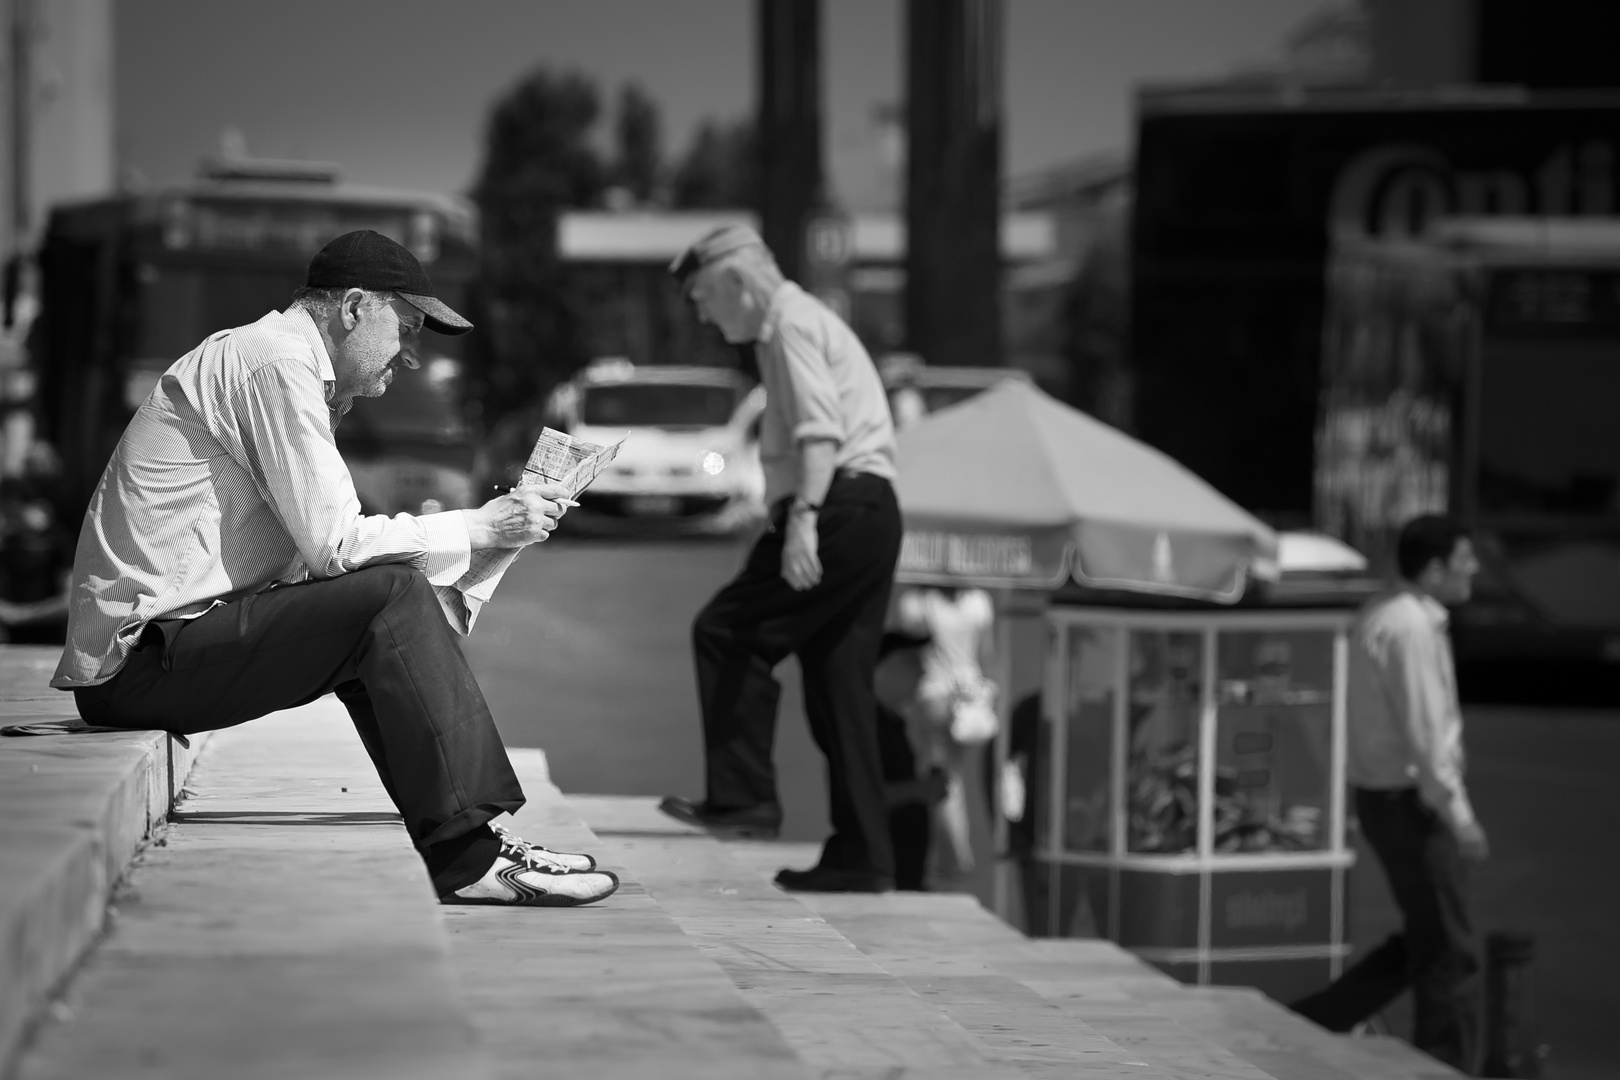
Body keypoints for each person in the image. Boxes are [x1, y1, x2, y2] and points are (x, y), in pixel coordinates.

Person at [49, 230, 619, 909]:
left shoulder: (283, 368)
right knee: (386, 598)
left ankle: (472, 846)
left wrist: (494, 547)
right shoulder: (274, 362)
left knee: (385, 608)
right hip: (138, 663)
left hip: (168, 649)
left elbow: (331, 572)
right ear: (352, 308)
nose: (411, 356)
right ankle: (470, 855)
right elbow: (338, 546)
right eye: (405, 329)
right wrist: (484, 525)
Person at [657, 224, 903, 893]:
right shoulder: (794, 325)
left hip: (838, 505)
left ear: (739, 281)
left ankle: (744, 799)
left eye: (705, 297)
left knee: (726, 630)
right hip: (872, 509)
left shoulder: (790, 324)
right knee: (839, 689)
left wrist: (803, 521)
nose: (703, 314)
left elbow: (821, 433)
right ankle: (864, 856)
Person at [1289, 514, 1486, 1071]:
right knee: (1451, 947)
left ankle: (1320, 1016)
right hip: (1411, 802)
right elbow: (1426, 732)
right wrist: (1459, 814)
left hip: (1386, 798)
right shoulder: (1409, 628)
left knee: (1429, 936)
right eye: (1464, 559)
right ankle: (1445, 1063)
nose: (1473, 569)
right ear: (1434, 568)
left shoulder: (1386, 615)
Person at [875, 586, 998, 886]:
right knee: (947, 783)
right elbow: (988, 656)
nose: (916, 668)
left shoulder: (919, 603)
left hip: (939, 699)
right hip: (967, 698)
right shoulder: (978, 602)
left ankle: (952, 860)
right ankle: (953, 860)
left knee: (945, 782)